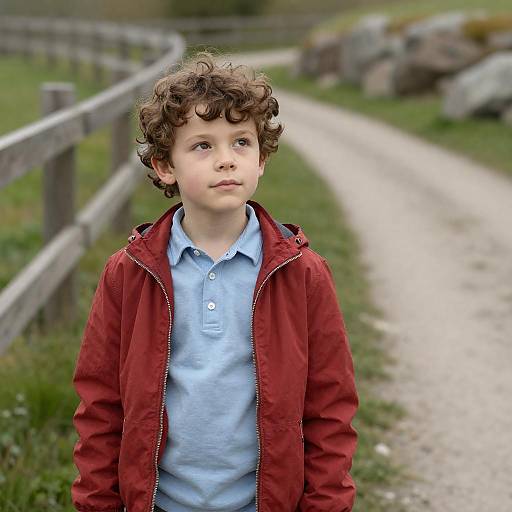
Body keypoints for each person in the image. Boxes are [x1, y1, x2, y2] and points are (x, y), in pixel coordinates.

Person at [71, 50, 358, 512]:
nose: (227, 160)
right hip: (159, 503)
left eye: (241, 142)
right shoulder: (129, 273)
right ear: (166, 166)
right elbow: (100, 405)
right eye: (203, 146)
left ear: (261, 158)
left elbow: (331, 408)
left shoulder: (302, 273)